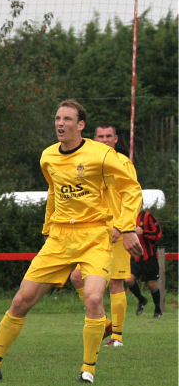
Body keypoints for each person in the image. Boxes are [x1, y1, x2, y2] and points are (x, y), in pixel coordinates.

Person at [0, 100, 143, 385]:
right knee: (20, 301)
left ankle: (88, 370)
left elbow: (131, 188)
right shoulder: (47, 157)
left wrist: (126, 228)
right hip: (60, 238)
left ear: (81, 125)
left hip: (95, 236)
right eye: (57, 118)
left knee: (95, 298)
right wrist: (49, 227)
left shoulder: (101, 155)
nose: (60, 123)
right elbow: (54, 192)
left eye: (67, 119)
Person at [68, 123, 139, 347]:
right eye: (101, 136)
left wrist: (122, 226)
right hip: (93, 230)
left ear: (116, 139)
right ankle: (105, 323)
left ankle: (116, 336)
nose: (105, 139)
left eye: (109, 136)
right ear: (94, 138)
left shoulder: (122, 163)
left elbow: (131, 195)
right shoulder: (88, 162)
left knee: (116, 282)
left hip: (116, 229)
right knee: (77, 276)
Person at [128, 209, 163, 318]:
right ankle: (141, 299)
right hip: (135, 257)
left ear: (141, 204)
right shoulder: (129, 217)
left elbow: (158, 234)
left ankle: (157, 309)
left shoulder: (148, 216)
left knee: (152, 284)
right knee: (128, 279)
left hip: (149, 257)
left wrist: (144, 232)